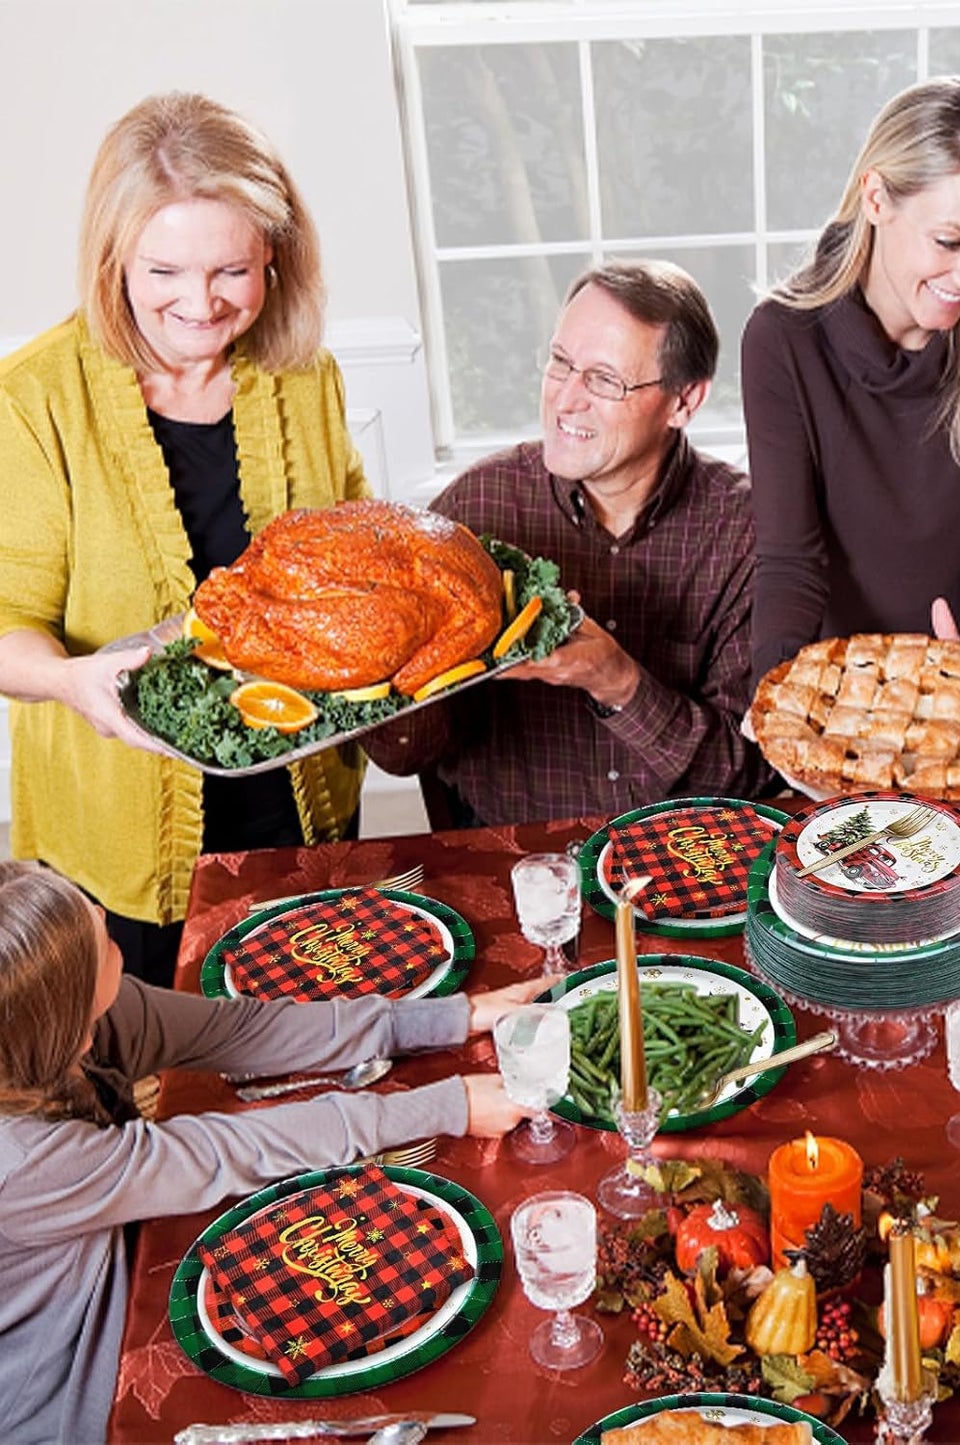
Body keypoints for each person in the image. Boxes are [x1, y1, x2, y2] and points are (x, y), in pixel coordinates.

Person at [0, 93, 368, 987]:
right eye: (162, 271)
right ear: (112, 258)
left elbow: (351, 539)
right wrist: (65, 680)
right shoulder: (36, 397)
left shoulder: (302, 373)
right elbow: (7, 617)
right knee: (163, 1085)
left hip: (302, 796)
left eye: (230, 271)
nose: (199, 304)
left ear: (273, 254)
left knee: (317, 1050)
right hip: (123, 836)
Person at [0, 858, 552, 1445]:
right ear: (61, 1023)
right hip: (76, 1394)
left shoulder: (69, 1023)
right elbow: (231, 1149)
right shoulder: (21, 1162)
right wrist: (449, 1106)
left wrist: (453, 1017)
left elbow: (240, 1031)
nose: (100, 910)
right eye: (93, 935)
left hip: (131, 1255)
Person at [365, 260, 771, 824]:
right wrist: (385, 665)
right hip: (506, 856)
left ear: (684, 402)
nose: (565, 399)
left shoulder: (747, 532)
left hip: (683, 857)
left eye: (605, 379)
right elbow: (404, 758)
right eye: (560, 363)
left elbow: (747, 775)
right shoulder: (475, 509)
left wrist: (619, 682)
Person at [742, 76, 960, 686]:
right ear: (876, 199)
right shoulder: (781, 340)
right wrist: (780, 696)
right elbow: (790, 564)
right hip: (841, 689)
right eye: (949, 241)